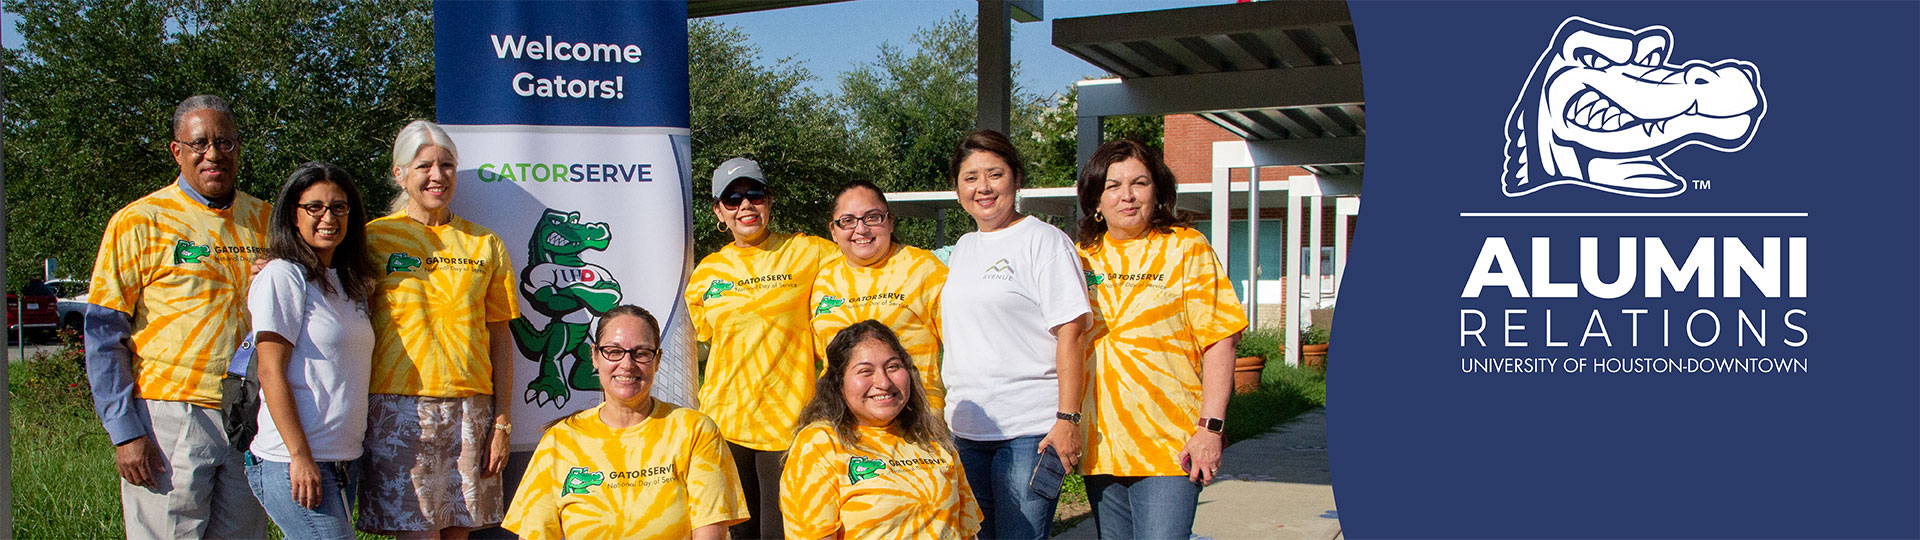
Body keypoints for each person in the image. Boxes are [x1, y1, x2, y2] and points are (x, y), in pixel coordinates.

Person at [85, 94, 271, 539]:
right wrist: (125, 431)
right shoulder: (139, 221)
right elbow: (103, 334)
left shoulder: (266, 218)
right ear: (177, 151)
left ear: (238, 148)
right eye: (199, 143)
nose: (213, 155)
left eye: (224, 143)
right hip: (170, 415)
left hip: (249, 414)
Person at [1072, 140, 1246, 539]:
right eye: (1113, 185)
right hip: (1100, 443)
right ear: (1096, 198)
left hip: (1171, 442)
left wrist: (1211, 428)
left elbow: (1221, 340)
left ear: (1159, 192)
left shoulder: (1187, 248)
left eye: (1140, 183)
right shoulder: (1079, 257)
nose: (1127, 196)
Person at [359, 120, 519, 539]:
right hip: (400, 408)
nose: (437, 176)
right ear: (400, 173)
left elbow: (501, 338)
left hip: (472, 407)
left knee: (458, 534)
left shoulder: (485, 243)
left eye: (447, 165)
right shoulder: (372, 238)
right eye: (424, 165)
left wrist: (501, 423)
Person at [939, 129, 1090, 539]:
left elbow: (1072, 334)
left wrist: (1067, 419)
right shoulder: (965, 247)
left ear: (1016, 178)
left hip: (1029, 433)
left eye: (994, 174)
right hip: (968, 431)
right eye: (970, 177)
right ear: (957, 188)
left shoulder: (1045, 242)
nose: (983, 188)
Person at [684, 157, 839, 539]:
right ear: (719, 211)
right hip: (724, 424)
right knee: (738, 534)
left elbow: (861, 260)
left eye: (754, 194)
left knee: (779, 533)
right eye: (732, 200)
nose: (746, 206)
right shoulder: (707, 273)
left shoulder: (809, 252)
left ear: (769, 199)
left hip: (789, 426)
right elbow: (706, 340)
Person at [504, 305, 749, 540]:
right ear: (595, 356)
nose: (627, 364)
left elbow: (710, 532)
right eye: (614, 351)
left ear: (658, 359)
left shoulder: (695, 431)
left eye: (641, 353)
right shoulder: (560, 440)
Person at [244, 162, 378, 539]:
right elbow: (270, 371)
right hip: (294, 460)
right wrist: (300, 456)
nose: (328, 217)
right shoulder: (282, 275)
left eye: (338, 207)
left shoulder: (347, 281)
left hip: (343, 460)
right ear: (294, 214)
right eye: (314, 207)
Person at [780, 321, 981, 540]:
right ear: (839, 383)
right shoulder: (819, 444)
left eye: (893, 367)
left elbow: (966, 532)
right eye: (865, 371)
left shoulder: (930, 438)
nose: (884, 382)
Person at [809, 180, 949, 410]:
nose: (861, 229)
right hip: (840, 427)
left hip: (914, 424)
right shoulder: (823, 280)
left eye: (872, 217)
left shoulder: (924, 269)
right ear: (833, 231)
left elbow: (964, 349)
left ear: (890, 221)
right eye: (848, 221)